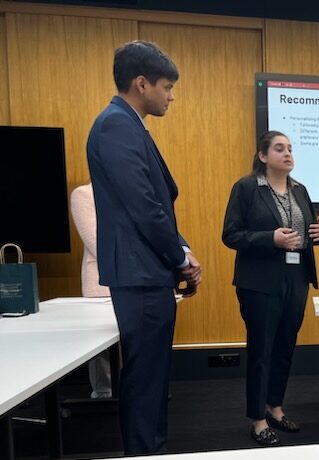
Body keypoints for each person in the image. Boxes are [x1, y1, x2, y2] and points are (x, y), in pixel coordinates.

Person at [86, 41, 202, 455]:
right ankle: (143, 452)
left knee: (152, 376)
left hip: (147, 270)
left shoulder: (128, 123)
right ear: (141, 83)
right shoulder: (116, 125)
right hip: (140, 273)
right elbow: (143, 208)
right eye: (167, 87)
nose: (171, 96)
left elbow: (157, 203)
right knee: (145, 377)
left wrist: (181, 248)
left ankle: (151, 449)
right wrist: (180, 257)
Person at [222, 130, 319, 447]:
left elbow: (310, 230)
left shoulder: (300, 190)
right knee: (262, 351)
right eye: (279, 148)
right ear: (263, 156)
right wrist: (270, 239)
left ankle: (275, 408)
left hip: (296, 279)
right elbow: (231, 235)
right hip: (259, 281)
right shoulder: (246, 188)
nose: (287, 154)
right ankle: (257, 420)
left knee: (284, 347)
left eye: (290, 149)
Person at [70, 183, 113, 399]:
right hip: (100, 281)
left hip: (135, 278)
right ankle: (104, 391)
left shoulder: (128, 191)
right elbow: (96, 242)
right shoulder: (83, 194)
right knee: (102, 346)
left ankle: (132, 389)